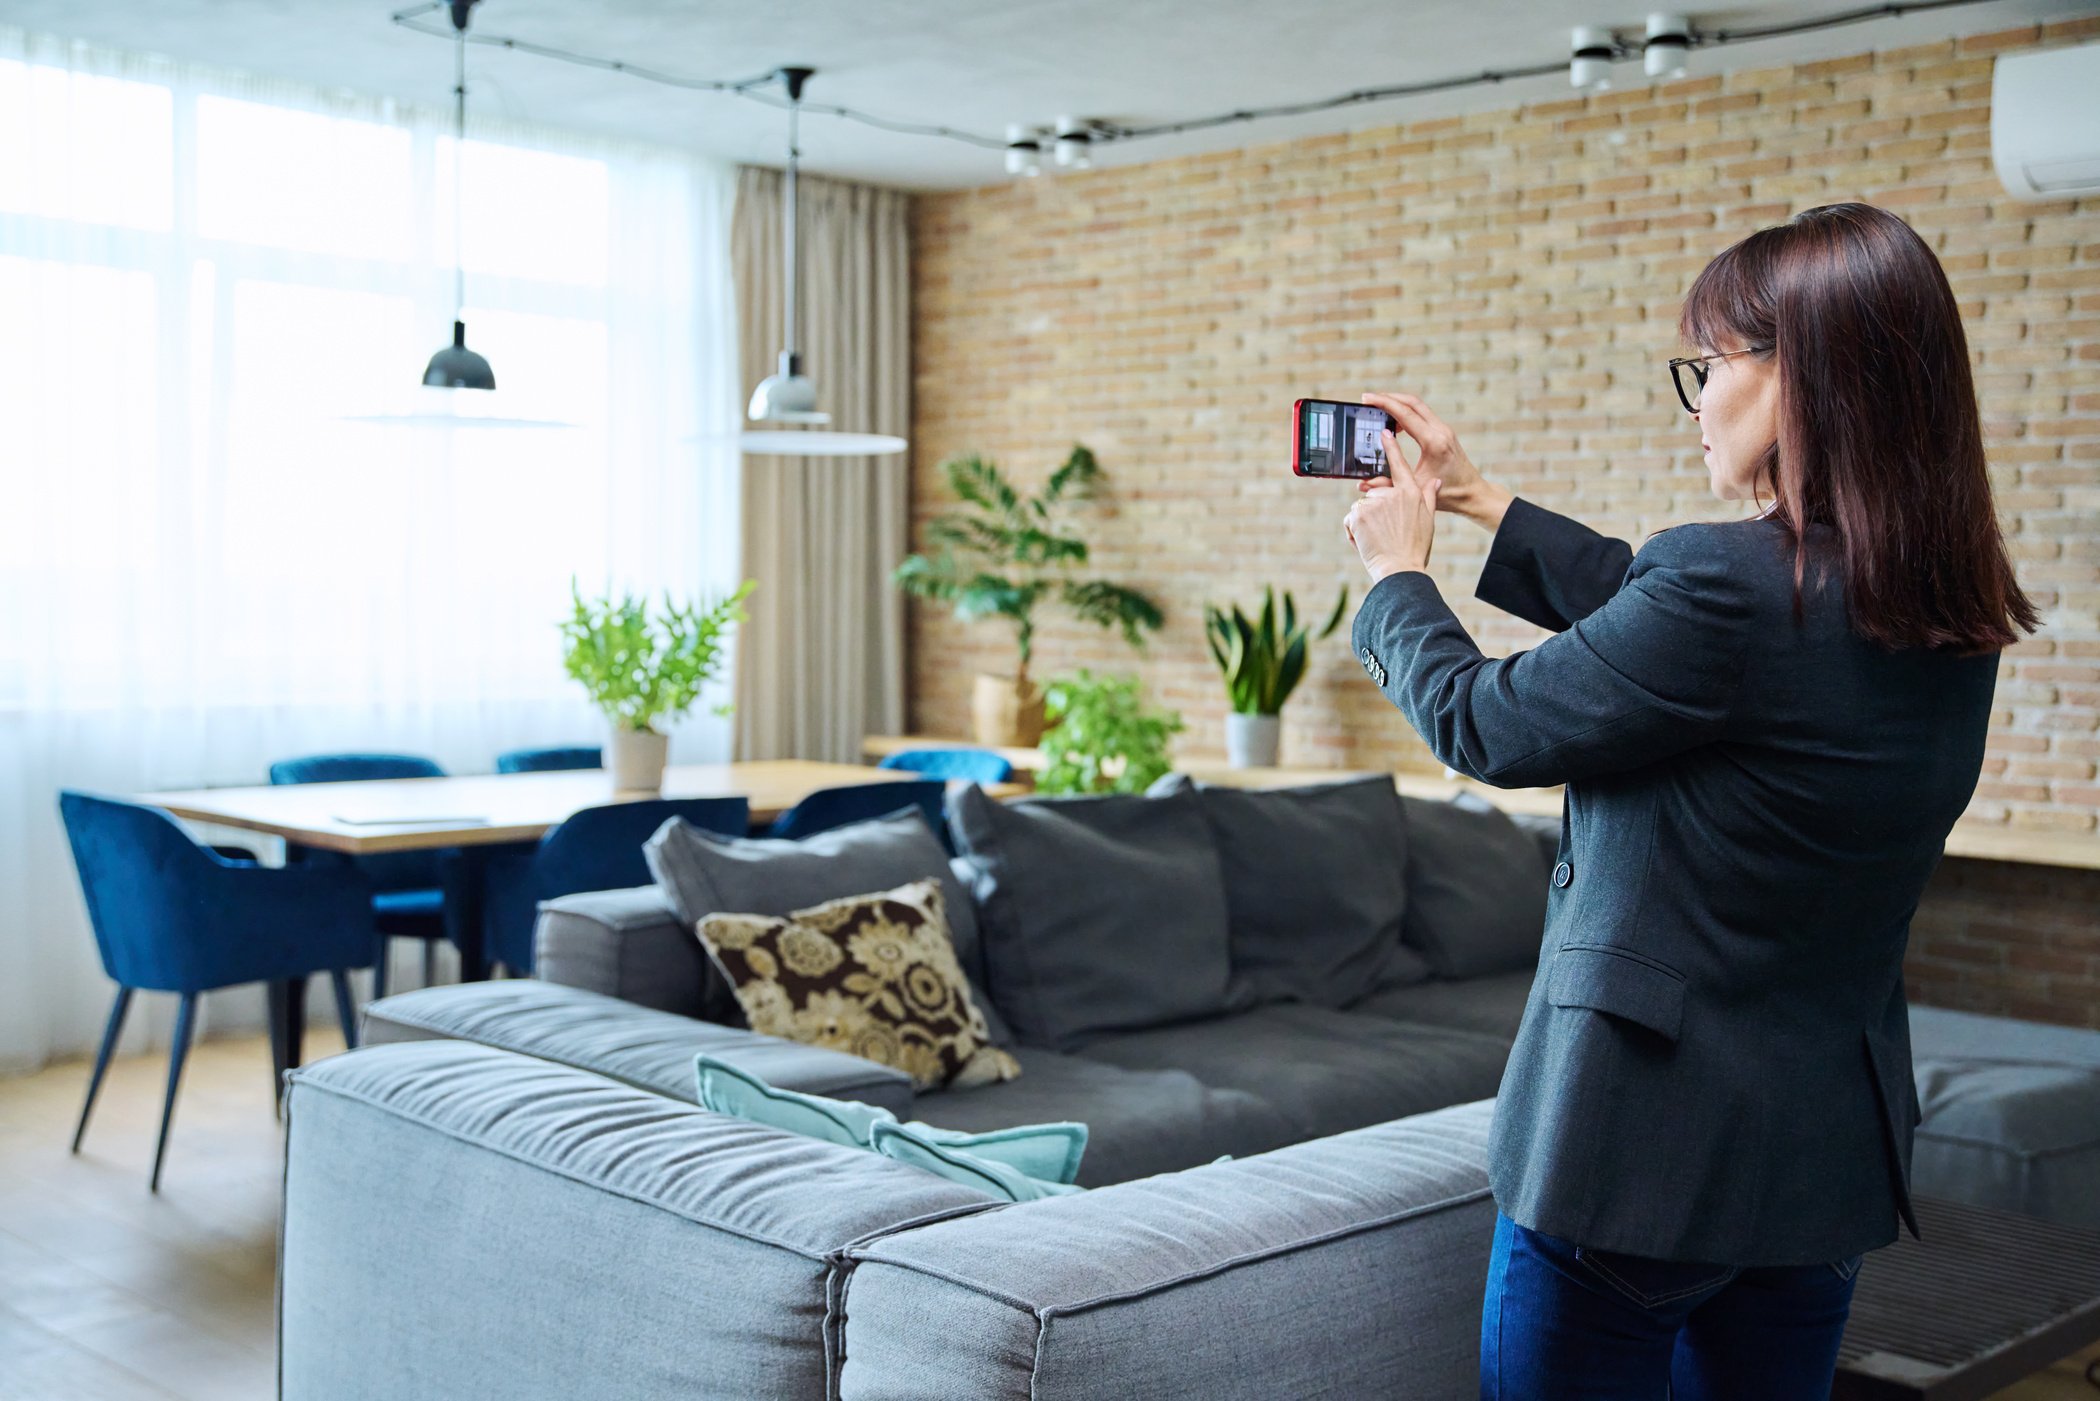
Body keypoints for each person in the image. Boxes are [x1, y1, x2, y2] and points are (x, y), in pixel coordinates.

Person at [1341, 201, 2039, 1399]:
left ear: (1801, 379)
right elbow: (1659, 610)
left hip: (1636, 1161)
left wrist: (1399, 575)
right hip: (1820, 1161)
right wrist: (1479, 499)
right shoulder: (1945, 605)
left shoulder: (1729, 589)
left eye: (1711, 364)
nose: (1701, 397)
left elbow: (1485, 723)